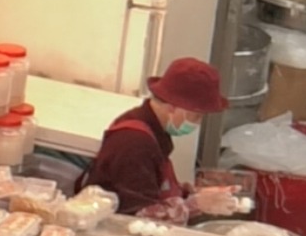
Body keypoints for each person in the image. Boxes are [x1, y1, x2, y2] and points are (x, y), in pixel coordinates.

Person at [81, 57, 241, 222]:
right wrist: (195, 205)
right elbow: (139, 217)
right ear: (173, 106)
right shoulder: (133, 143)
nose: (197, 123)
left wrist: (195, 194)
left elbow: (153, 186)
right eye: (196, 116)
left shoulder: (152, 128)